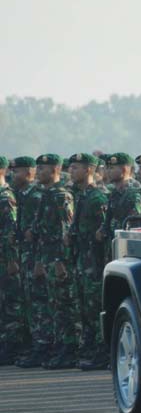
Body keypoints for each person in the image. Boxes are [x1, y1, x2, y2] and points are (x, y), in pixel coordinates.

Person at [31, 154, 76, 369]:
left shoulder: (61, 196)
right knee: (51, 304)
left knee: (62, 305)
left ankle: (67, 349)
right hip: (46, 257)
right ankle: (56, 347)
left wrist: (60, 260)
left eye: (42, 168)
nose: (38, 172)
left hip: (58, 259)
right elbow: (42, 233)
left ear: (54, 170)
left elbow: (65, 232)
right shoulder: (46, 194)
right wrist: (40, 260)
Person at [67, 154, 109, 370]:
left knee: (95, 307)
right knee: (84, 307)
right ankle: (91, 349)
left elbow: (105, 233)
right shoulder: (82, 196)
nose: (70, 172)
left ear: (88, 170)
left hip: (96, 262)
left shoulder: (98, 198)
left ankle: (103, 351)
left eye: (75, 168)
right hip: (83, 260)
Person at [10, 157, 44, 368]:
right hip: (26, 255)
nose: (14, 175)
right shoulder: (24, 195)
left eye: (18, 171)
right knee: (30, 302)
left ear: (29, 173)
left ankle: (43, 345)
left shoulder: (36, 196)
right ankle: (34, 344)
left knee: (41, 303)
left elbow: (42, 231)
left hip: (38, 256)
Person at [96, 154, 141, 262]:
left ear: (124, 169)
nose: (108, 171)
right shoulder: (115, 191)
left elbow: (134, 223)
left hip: (127, 247)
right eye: (107, 168)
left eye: (112, 168)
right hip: (115, 243)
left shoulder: (133, 191)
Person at [0, 157, 21, 365]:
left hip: (6, 259)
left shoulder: (5, 197)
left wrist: (11, 259)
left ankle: (12, 346)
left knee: (10, 303)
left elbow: (10, 232)